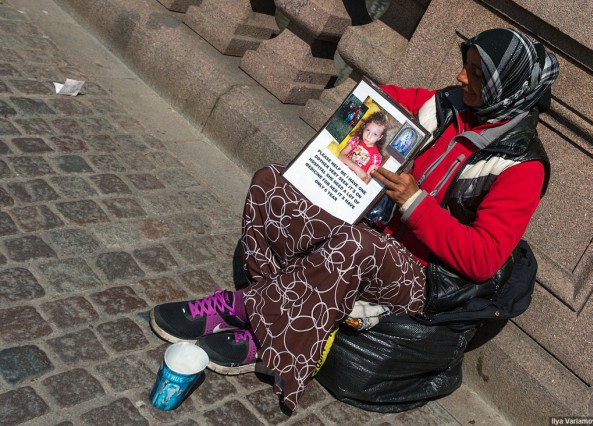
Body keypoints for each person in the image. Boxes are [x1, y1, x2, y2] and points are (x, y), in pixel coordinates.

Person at [150, 27, 559, 413]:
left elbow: (483, 258)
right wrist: (368, 112)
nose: (460, 76)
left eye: (475, 73)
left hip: (425, 278)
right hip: (377, 230)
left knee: (354, 245)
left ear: (509, 88)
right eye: (465, 64)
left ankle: (253, 321)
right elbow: (387, 102)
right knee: (271, 182)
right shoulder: (450, 105)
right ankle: (270, 313)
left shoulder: (522, 166)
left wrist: (415, 202)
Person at [338, 111, 388, 182]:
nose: (368, 136)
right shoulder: (356, 140)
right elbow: (341, 156)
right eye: (368, 130)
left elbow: (366, 179)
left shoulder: (376, 156)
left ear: (380, 137)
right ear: (364, 127)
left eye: (375, 134)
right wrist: (358, 169)